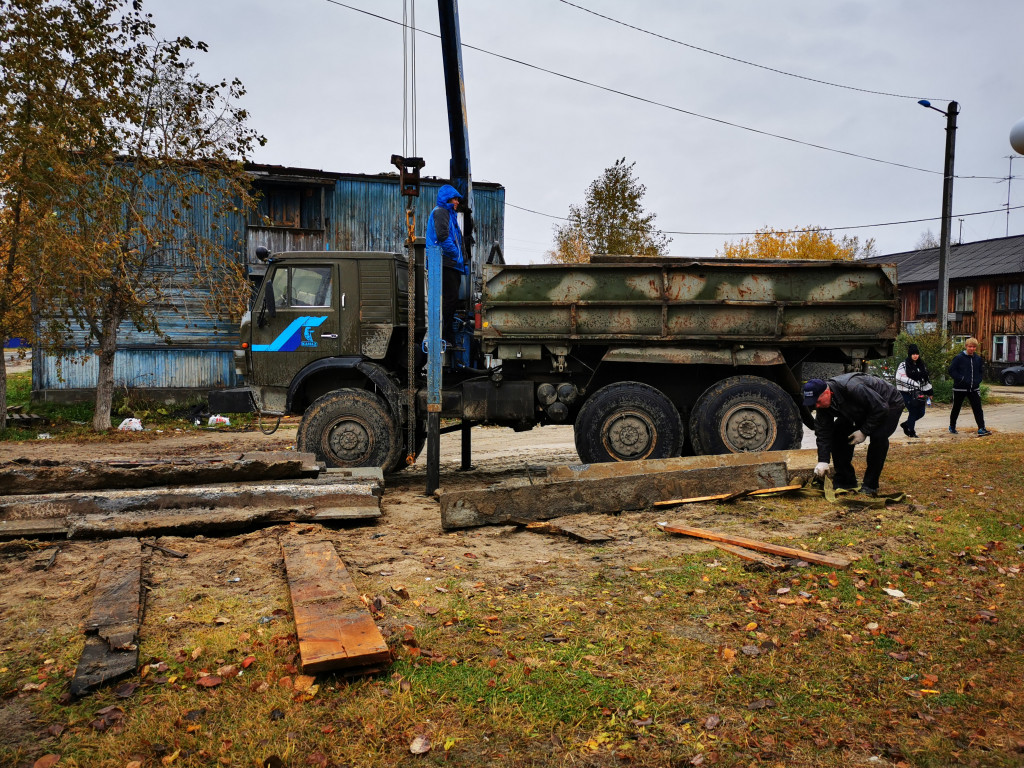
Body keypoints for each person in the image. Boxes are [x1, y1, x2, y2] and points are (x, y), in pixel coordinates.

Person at [804, 372, 905, 496]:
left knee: (878, 438)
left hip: (888, 403)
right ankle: (846, 481)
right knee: (838, 434)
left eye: (818, 401)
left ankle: (870, 485)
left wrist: (864, 431)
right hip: (859, 408)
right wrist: (823, 460)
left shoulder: (853, 388)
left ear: (826, 392)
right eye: (814, 404)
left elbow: (881, 408)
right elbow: (823, 432)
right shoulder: (822, 405)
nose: (817, 406)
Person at [425, 184, 469, 344]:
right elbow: (443, 237)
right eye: (455, 198)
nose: (457, 202)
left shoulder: (449, 214)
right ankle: (445, 334)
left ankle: (446, 333)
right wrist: (456, 255)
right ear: (448, 199)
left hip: (449, 263)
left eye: (457, 199)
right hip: (445, 262)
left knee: (450, 299)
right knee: (450, 298)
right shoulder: (441, 212)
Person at [948, 337, 991, 436]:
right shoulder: (959, 358)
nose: (972, 349)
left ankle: (981, 428)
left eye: (974, 347)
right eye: (970, 346)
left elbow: (981, 372)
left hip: (974, 388)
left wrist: (978, 380)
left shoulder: (978, 359)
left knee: (978, 408)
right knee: (956, 407)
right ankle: (952, 426)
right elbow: (951, 370)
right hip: (960, 388)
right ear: (966, 346)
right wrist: (961, 379)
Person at [894, 343, 933, 438]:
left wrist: (929, 392)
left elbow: (925, 379)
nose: (915, 356)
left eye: (917, 354)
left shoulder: (921, 365)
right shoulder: (903, 365)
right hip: (905, 392)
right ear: (910, 354)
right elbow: (899, 377)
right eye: (913, 354)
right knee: (913, 411)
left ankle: (906, 424)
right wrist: (914, 383)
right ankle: (911, 432)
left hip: (918, 393)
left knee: (921, 412)